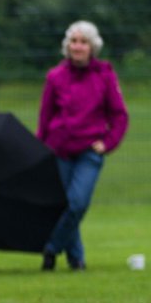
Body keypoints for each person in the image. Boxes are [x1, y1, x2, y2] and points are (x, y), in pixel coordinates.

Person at [37, 19, 128, 271]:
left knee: (77, 202)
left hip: (89, 151)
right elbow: (45, 117)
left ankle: (52, 247)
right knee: (65, 206)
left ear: (92, 47)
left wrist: (109, 142)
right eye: (73, 41)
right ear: (68, 46)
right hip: (59, 150)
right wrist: (40, 149)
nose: (77, 47)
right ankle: (76, 260)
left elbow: (119, 115)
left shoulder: (105, 75)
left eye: (83, 42)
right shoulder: (55, 77)